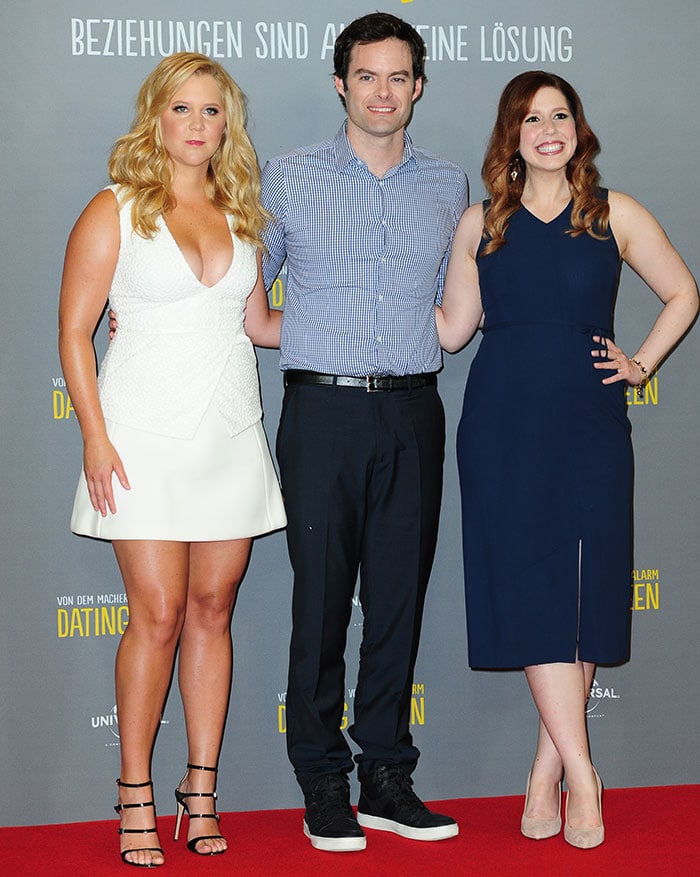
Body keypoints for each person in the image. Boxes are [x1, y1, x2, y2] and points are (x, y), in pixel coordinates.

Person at [436, 70, 698, 849]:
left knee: (582, 593)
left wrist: (642, 362)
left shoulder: (613, 213)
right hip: (502, 425)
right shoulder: (479, 223)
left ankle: (548, 767)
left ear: (578, 129)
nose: (547, 128)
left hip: (589, 422)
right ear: (510, 136)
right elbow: (452, 331)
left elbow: (684, 292)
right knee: (531, 589)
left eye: (560, 114)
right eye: (530, 117)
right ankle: (584, 776)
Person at [58, 53, 286, 867]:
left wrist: (365, 319)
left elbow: (260, 324)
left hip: (229, 431)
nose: (198, 124)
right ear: (155, 116)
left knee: (213, 609)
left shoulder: (246, 214)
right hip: (139, 437)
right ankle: (133, 792)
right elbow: (74, 333)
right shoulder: (113, 209)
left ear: (230, 124)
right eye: (183, 108)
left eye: (213, 111)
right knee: (155, 612)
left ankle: (201, 790)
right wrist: (93, 433)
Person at [261, 13, 467, 852]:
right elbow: (245, 293)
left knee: (396, 604)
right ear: (340, 82)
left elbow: (459, 309)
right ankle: (321, 781)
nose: (383, 92)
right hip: (324, 413)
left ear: (418, 86)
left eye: (399, 77)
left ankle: (387, 774)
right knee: (319, 607)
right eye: (367, 76)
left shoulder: (448, 185)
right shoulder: (288, 176)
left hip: (415, 411)